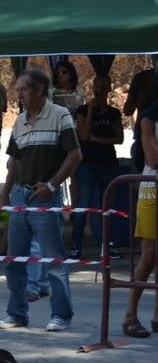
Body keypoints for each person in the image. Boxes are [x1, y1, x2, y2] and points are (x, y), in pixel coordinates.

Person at [0, 68, 82, 332]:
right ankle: (16, 314)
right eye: (18, 89)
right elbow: (14, 161)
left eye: (24, 89)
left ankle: (61, 315)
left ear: (40, 89)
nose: (20, 95)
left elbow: (75, 155)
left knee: (53, 260)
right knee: (14, 259)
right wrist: (4, 194)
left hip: (45, 196)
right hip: (20, 195)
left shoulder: (60, 115)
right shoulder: (20, 121)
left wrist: (53, 184)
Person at [120, 82, 158, 337]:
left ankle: (157, 316)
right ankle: (130, 315)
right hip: (152, 192)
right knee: (149, 255)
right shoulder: (149, 117)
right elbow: (153, 158)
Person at [72, 74, 123, 260]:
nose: (98, 90)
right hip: (87, 164)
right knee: (84, 205)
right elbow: (84, 136)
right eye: (95, 86)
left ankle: (108, 245)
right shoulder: (83, 110)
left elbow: (119, 138)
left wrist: (98, 139)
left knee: (107, 205)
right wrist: (92, 111)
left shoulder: (114, 113)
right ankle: (76, 246)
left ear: (108, 88)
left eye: (102, 86)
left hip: (108, 163)